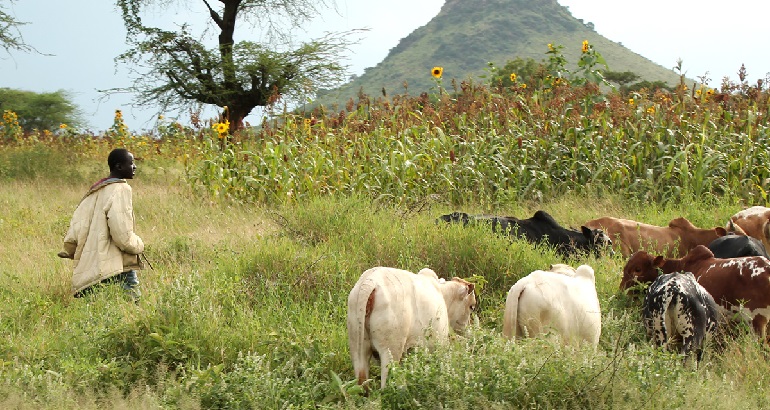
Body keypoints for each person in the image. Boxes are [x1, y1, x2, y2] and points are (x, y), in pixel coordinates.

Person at [58, 148, 144, 301]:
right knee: (133, 301)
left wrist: (71, 248)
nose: (134, 167)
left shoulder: (95, 191)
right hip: (117, 258)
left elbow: (77, 225)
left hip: (92, 258)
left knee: (93, 301)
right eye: (131, 163)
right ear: (119, 167)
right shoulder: (122, 189)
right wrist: (137, 245)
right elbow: (122, 234)